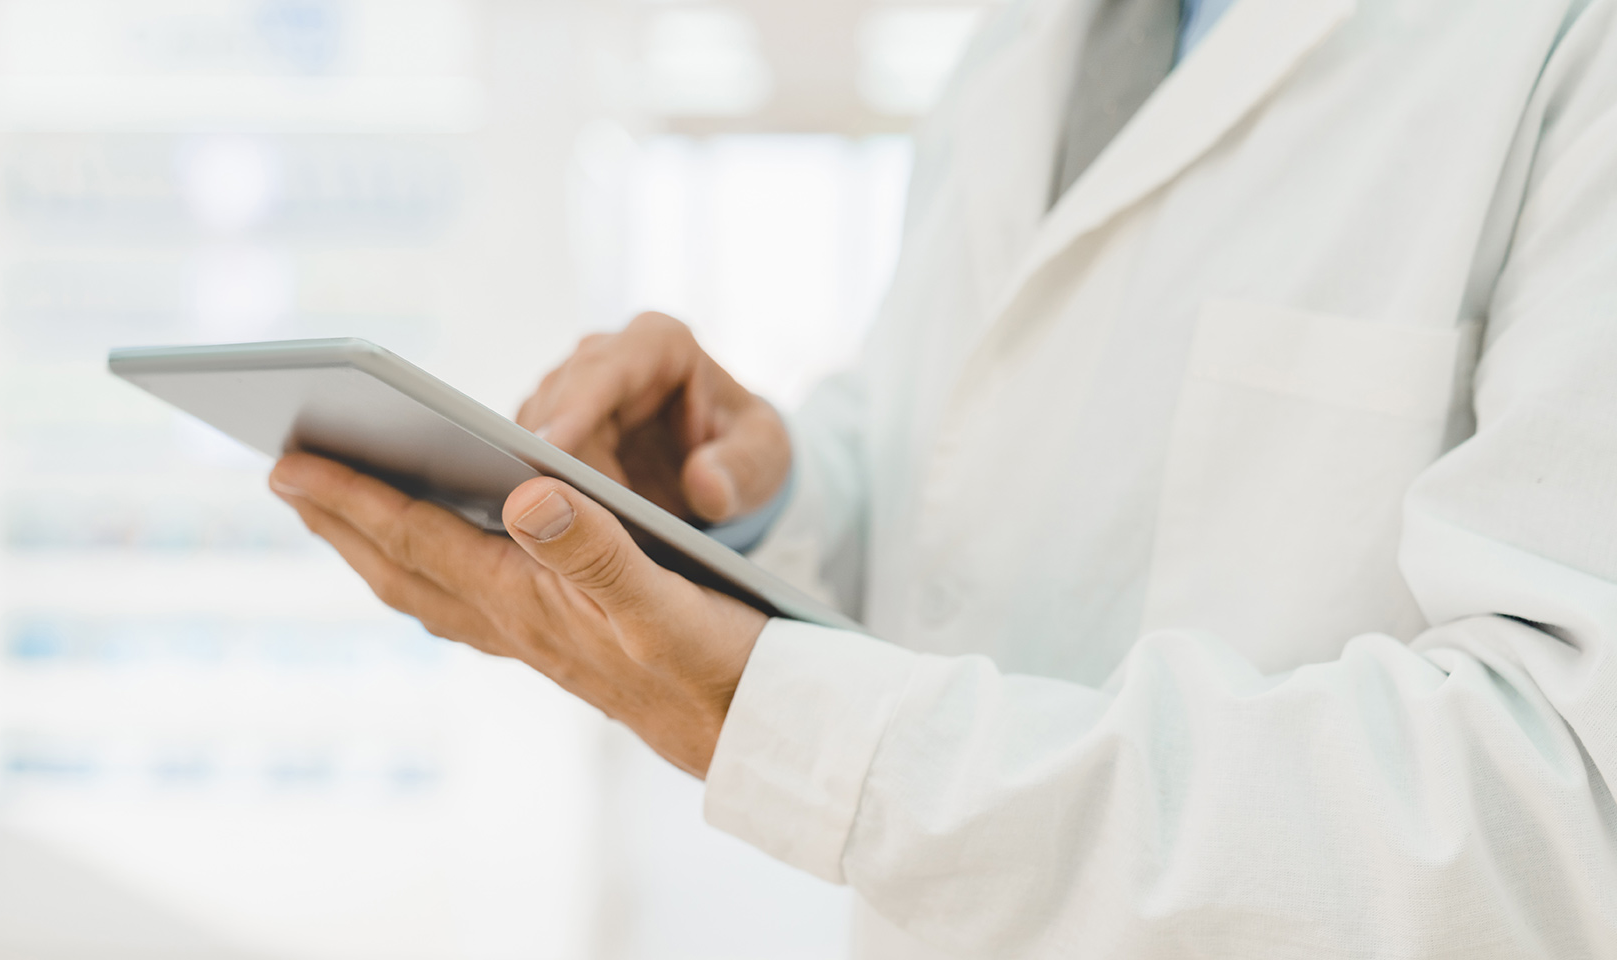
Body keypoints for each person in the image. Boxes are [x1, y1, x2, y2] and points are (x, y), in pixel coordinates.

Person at [266, 0, 1617, 954]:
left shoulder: (1565, 45)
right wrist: (760, 495)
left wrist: (802, 728)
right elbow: (972, 478)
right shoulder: (1020, 44)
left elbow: (1561, 807)